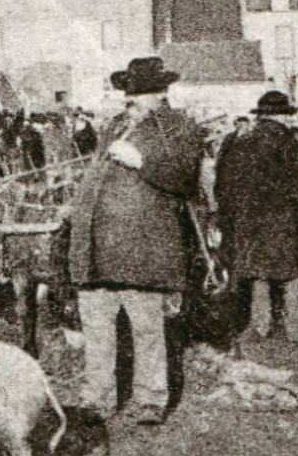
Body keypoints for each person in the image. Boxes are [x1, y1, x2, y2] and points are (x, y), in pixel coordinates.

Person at [66, 57, 204, 425]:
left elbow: (183, 179)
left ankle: (150, 399)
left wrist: (141, 160)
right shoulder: (113, 127)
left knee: (146, 331)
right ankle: (98, 398)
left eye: (139, 94)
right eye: (128, 94)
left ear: (161, 94)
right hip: (96, 252)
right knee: (97, 331)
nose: (131, 101)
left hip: (143, 250)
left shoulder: (180, 127)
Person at [215, 90, 298, 344]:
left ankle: (260, 326)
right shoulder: (295, 143)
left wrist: (231, 217)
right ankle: (294, 329)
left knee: (258, 274)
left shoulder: (242, 142)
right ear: (282, 116)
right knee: (291, 274)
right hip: (285, 219)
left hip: (249, 219)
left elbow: (224, 183)